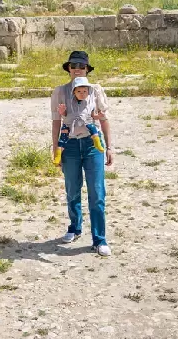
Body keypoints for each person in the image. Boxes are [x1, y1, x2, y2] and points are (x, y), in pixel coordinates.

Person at [50, 50, 113, 256]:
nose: (77, 69)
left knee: (97, 192)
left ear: (87, 69)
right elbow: (56, 122)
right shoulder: (60, 92)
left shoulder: (95, 91)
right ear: (68, 68)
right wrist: (56, 148)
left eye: (81, 66)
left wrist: (109, 147)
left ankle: (99, 239)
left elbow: (104, 119)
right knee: (72, 189)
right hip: (69, 146)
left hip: (92, 145)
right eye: (74, 66)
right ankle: (75, 227)